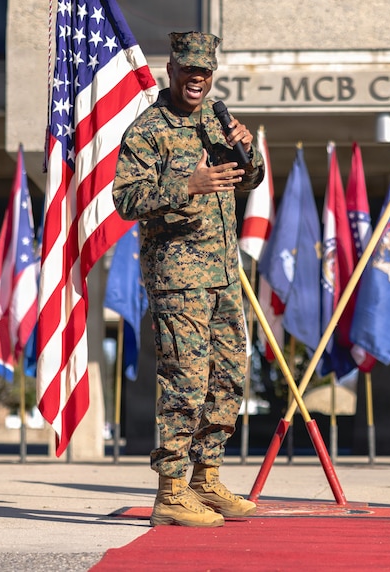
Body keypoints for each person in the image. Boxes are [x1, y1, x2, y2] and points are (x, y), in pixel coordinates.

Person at [113, 31, 265, 528]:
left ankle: (207, 479)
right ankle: (172, 490)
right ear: (171, 71)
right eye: (188, 72)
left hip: (222, 274)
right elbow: (126, 201)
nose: (197, 81)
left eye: (205, 74)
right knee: (185, 381)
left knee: (228, 376)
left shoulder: (217, 122)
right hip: (177, 276)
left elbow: (250, 179)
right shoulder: (148, 131)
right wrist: (189, 185)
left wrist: (248, 151)